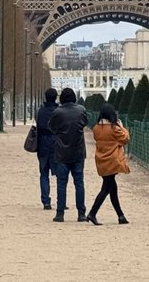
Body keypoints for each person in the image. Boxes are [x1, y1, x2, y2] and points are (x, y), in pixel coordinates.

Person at [47, 87, 88, 222]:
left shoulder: (57, 112)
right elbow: (85, 123)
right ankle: (81, 213)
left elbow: (51, 128)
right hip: (78, 151)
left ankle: (60, 214)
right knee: (79, 183)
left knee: (61, 184)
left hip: (62, 152)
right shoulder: (81, 110)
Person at [86, 102, 129, 225]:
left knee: (112, 188)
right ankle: (92, 214)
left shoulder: (96, 128)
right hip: (112, 161)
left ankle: (121, 216)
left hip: (101, 160)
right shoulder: (114, 129)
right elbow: (126, 138)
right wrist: (121, 126)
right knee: (106, 189)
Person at [35, 88, 59, 210]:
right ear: (56, 97)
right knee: (60, 174)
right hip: (56, 144)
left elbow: (38, 126)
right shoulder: (59, 111)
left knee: (44, 174)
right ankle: (61, 201)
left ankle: (46, 201)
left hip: (43, 144)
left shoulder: (40, 111)